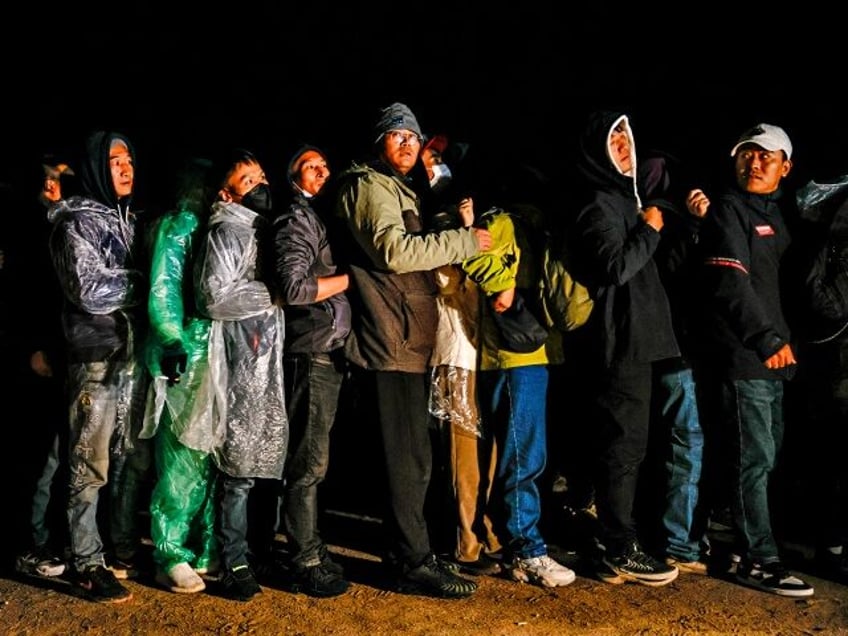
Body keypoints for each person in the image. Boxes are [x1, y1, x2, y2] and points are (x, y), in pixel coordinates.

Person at [334, 102, 491, 598]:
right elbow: (394, 252)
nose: (406, 143)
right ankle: (409, 563)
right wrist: (463, 242)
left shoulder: (398, 188)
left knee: (416, 458)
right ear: (377, 141)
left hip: (407, 340)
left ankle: (414, 554)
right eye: (396, 135)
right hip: (386, 339)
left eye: (412, 137)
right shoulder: (367, 185)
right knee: (404, 460)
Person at [694, 123, 814, 597]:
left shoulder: (782, 216)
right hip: (742, 356)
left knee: (762, 458)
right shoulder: (729, 209)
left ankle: (731, 543)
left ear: (786, 166)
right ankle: (759, 560)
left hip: (774, 361)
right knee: (752, 458)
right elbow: (730, 282)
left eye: (766, 156)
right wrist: (765, 337)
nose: (755, 162)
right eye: (747, 154)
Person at [569, 111, 680, 587]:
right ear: (596, 150)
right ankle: (619, 546)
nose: (623, 146)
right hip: (622, 343)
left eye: (627, 138)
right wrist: (650, 229)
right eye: (613, 139)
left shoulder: (622, 200)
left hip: (638, 341)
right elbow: (614, 268)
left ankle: (605, 541)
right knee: (623, 447)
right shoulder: (598, 203)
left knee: (624, 445)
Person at [48, 130, 152, 603]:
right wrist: (148, 283)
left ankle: (116, 548)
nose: (126, 167)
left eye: (129, 158)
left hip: (127, 353)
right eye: (115, 161)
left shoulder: (125, 219)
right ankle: (86, 563)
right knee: (90, 463)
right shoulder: (75, 224)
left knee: (126, 455)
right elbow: (90, 290)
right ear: (94, 168)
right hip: (94, 356)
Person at [463, 196, 578, 588]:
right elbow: (472, 251)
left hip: (536, 350)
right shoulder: (503, 221)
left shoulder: (539, 223)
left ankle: (521, 543)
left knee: (531, 455)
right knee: (522, 455)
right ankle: (525, 549)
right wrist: (504, 287)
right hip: (512, 356)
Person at [194, 148, 287, 602]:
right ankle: (232, 560)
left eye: (261, 174)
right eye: (247, 180)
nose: (260, 185)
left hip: (263, 361)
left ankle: (258, 550)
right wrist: (279, 292)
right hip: (238, 361)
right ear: (227, 192)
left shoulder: (260, 229)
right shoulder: (227, 230)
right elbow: (214, 297)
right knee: (236, 467)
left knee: (260, 458)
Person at [267, 144, 351, 597]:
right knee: (306, 462)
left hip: (324, 351)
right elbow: (295, 287)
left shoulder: (318, 216)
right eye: (310, 165)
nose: (322, 169)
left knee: (312, 459)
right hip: (310, 351)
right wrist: (349, 280)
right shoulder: (296, 219)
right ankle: (303, 558)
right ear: (293, 175)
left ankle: (307, 544)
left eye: (325, 163)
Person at [422, 135, 504, 576]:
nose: (437, 167)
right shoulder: (436, 222)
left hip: (480, 349)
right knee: (463, 451)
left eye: (441, 159)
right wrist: (463, 235)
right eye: (430, 161)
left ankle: (482, 531)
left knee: (482, 450)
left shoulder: (462, 214)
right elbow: (444, 282)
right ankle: (466, 542)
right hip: (454, 350)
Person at [141, 156, 219, 594]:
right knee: (180, 457)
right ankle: (169, 552)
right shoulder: (182, 225)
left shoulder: (210, 224)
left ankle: (202, 547)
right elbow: (164, 287)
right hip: (187, 354)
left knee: (205, 454)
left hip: (210, 352)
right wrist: (173, 341)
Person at [638, 154, 713, 575]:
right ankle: (678, 543)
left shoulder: (644, 217)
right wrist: (699, 227)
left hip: (665, 350)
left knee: (667, 444)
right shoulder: (667, 222)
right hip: (679, 350)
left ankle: (671, 536)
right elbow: (681, 276)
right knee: (686, 444)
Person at [14, 156, 75, 579]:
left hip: (63, 351)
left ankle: (50, 539)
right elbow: (25, 292)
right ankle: (30, 545)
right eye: (57, 180)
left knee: (60, 451)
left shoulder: (59, 225)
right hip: (43, 355)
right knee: (42, 454)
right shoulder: (33, 229)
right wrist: (34, 346)